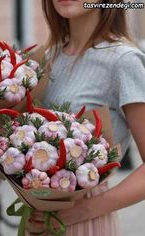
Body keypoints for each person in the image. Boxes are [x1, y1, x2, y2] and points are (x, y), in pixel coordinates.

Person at [26, 0, 145, 235]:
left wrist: (81, 211)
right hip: (38, 217)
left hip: (84, 222)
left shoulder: (123, 61)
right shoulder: (47, 58)